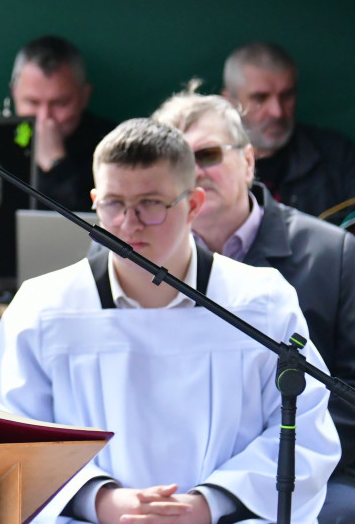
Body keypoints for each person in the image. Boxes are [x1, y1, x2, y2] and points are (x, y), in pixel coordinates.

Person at [0, 118, 339, 524]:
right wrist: (101, 501)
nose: (129, 223)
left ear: (194, 205)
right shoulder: (43, 308)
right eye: (113, 203)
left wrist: (208, 505)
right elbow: (8, 438)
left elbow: (304, 431)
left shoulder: (262, 302)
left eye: (151, 204)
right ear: (94, 200)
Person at [152, 88, 355, 523]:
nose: (194, 173)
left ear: (248, 161)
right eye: (177, 162)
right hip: (174, 471)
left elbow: (350, 391)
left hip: (301, 467)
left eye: (207, 155)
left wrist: (260, 470)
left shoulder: (333, 254)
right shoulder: (134, 259)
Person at [222, 41, 355, 222]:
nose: (277, 112)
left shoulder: (337, 157)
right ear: (229, 101)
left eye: (286, 96)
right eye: (260, 98)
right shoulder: (208, 165)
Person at [9, 35, 116, 211]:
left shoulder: (112, 147)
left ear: (84, 96)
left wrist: (56, 165)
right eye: (32, 102)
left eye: (60, 103)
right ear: (14, 94)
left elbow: (96, 221)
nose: (44, 117)